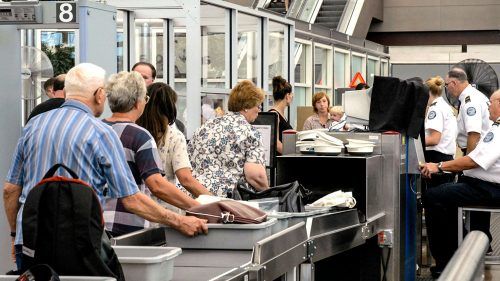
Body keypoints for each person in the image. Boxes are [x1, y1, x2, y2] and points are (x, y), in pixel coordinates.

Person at [3, 63, 207, 270]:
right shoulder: (99, 132)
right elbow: (132, 200)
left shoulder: (33, 126)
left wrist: (15, 234)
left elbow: (10, 190)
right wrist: (179, 221)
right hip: (79, 245)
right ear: (100, 94)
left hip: (30, 240)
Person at [102, 72, 205, 236]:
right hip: (129, 224)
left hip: (96, 223)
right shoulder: (139, 136)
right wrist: (199, 208)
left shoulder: (95, 129)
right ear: (137, 103)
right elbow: (157, 185)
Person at [419, 89, 500, 278]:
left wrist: (438, 166)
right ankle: (461, 246)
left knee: (434, 196)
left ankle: (447, 261)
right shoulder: (495, 127)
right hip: (483, 184)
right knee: (444, 192)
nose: (488, 106)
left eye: (492, 102)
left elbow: (473, 161)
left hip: (490, 188)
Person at [188, 80, 269, 197]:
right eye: (258, 106)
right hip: (226, 201)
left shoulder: (205, 126)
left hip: (195, 196)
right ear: (246, 107)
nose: (259, 110)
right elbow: (256, 177)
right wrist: (269, 193)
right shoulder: (250, 133)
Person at [136, 82, 211, 199]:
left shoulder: (134, 132)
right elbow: (185, 179)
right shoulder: (174, 137)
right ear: (170, 108)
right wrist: (215, 200)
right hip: (165, 204)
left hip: (138, 203)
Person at [132, 61, 187, 136]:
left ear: (152, 81)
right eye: (136, 77)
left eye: (144, 77)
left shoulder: (159, 103)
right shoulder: (120, 101)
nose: (139, 81)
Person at [445, 69, 491, 155]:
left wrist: (469, 159)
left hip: (477, 152)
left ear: (454, 83)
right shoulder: (475, 95)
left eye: (446, 85)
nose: (447, 89)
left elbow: (474, 133)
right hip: (482, 150)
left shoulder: (470, 101)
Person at [423, 76, 457, 188]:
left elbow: (434, 139)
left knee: (433, 198)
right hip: (446, 157)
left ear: (427, 92)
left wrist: (415, 143)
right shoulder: (445, 106)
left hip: (436, 158)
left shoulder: (435, 109)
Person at [269, 76, 293, 154]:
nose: (292, 97)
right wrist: (293, 155)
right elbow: (275, 143)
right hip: (278, 163)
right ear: (287, 96)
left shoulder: (281, 115)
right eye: (291, 94)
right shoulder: (274, 114)